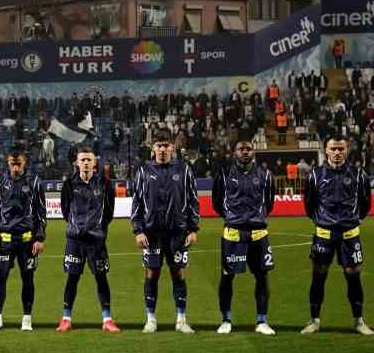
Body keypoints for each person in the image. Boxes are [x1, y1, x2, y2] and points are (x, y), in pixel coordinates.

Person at [301, 137, 374, 335]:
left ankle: (359, 321)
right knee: (319, 275)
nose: (337, 152)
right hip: (324, 233)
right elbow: (308, 204)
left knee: (353, 275)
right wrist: (322, 220)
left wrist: (353, 219)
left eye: (341, 148)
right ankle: (314, 320)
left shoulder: (358, 174)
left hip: (350, 234)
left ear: (347, 150)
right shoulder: (315, 175)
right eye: (333, 148)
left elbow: (366, 203)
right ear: (326, 150)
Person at [130, 130, 199, 333]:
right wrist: (138, 230)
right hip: (151, 234)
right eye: (159, 145)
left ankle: (181, 320)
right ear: (153, 148)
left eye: (166, 145)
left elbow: (193, 201)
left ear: (173, 148)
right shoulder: (143, 171)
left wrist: (193, 229)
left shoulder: (184, 170)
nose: (162, 149)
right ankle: (151, 318)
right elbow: (137, 203)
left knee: (179, 274)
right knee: (152, 274)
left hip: (178, 233)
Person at [212, 136, 277, 335]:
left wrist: (256, 218)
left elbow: (269, 202)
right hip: (233, 233)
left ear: (253, 151)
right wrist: (233, 218)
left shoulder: (265, 175)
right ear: (235, 152)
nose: (245, 152)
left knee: (262, 276)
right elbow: (217, 202)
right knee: (227, 277)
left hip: (258, 233)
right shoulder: (223, 174)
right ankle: (226, 319)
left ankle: (262, 321)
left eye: (248, 149)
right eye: (241, 149)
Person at [59, 146, 118, 332]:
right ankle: (66, 318)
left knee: (101, 278)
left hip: (96, 241)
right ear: (76, 163)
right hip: (75, 241)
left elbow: (109, 212)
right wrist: (77, 227)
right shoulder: (69, 183)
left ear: (94, 163)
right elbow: (65, 210)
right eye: (82, 159)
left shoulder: (105, 183)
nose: (85, 162)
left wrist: (98, 229)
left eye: (88, 160)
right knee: (72, 278)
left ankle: (107, 320)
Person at [0, 146, 46, 332]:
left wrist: (40, 237)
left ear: (24, 163)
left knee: (27, 279)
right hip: (4, 240)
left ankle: (27, 318)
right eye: (12, 164)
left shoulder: (35, 182)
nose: (15, 168)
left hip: (27, 240)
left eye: (18, 164)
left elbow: (41, 212)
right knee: (0, 278)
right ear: (8, 163)